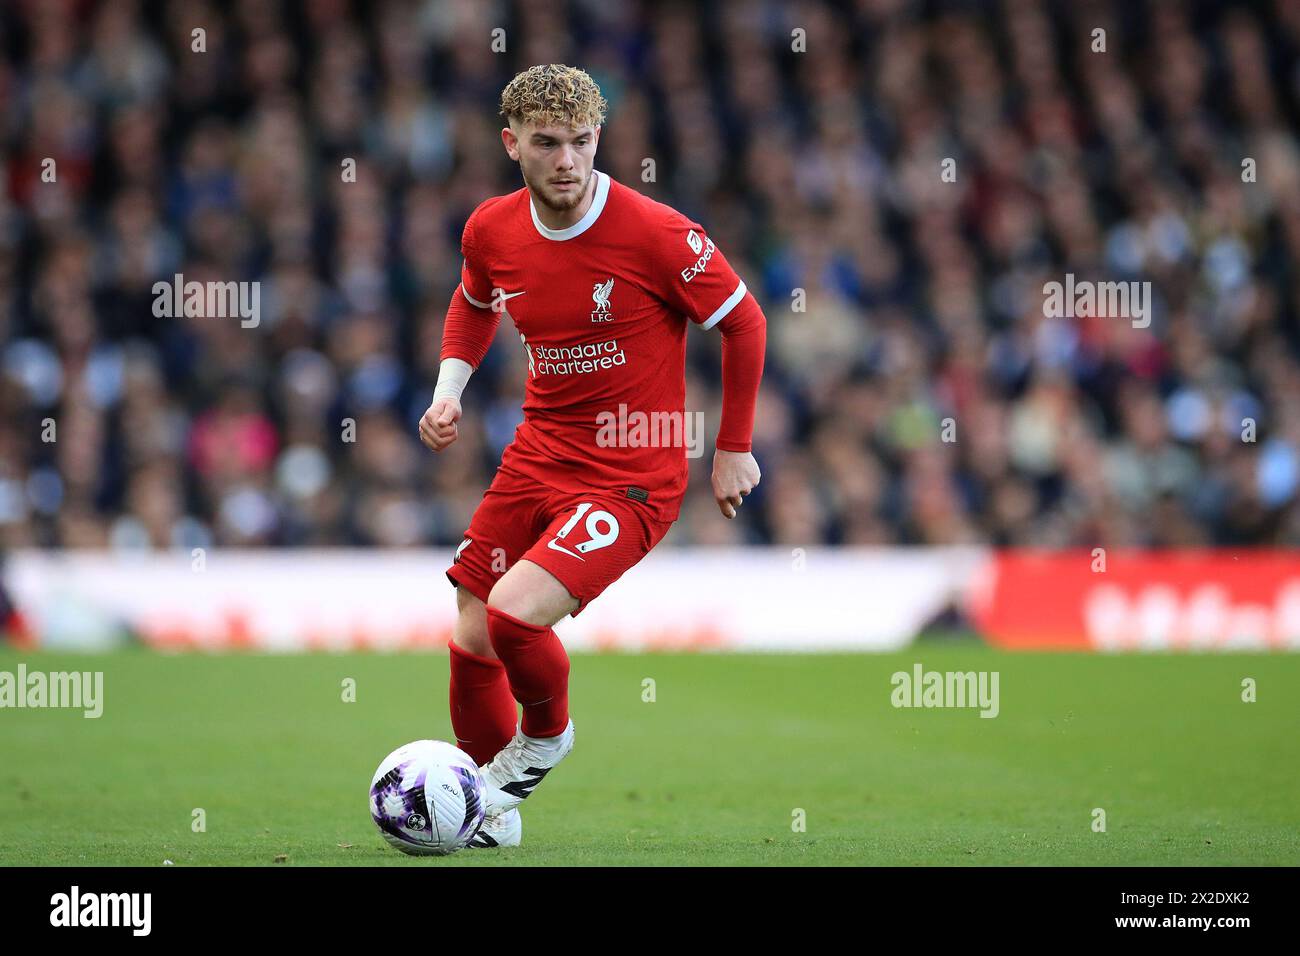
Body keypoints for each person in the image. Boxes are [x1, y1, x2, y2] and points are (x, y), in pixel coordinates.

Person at [418, 64, 766, 847]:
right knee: (472, 633)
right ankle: (485, 816)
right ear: (513, 145)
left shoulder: (656, 232)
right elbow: (474, 303)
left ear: (598, 140)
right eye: (547, 143)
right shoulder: (490, 229)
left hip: (632, 474)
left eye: (581, 142)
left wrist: (734, 448)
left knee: (514, 613)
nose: (567, 160)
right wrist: (450, 391)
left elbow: (744, 323)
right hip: (537, 455)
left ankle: (543, 739)